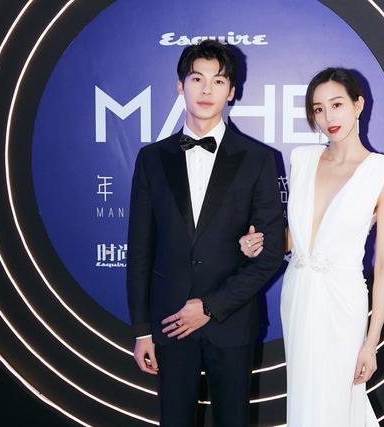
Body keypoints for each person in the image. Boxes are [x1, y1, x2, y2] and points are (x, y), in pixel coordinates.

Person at [126, 40, 285, 427]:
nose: (206, 90)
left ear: (231, 91)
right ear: (180, 85)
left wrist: (211, 306)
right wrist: (142, 330)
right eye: (197, 79)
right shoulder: (152, 159)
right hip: (169, 322)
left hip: (231, 321)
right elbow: (140, 250)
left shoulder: (259, 160)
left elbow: (269, 254)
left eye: (218, 81)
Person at [240, 68, 384, 426]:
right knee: (305, 398)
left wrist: (371, 342)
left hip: (343, 303)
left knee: (338, 401)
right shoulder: (303, 159)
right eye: (318, 109)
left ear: (358, 105)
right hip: (298, 295)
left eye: (337, 104)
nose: (328, 117)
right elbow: (295, 237)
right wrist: (261, 244)